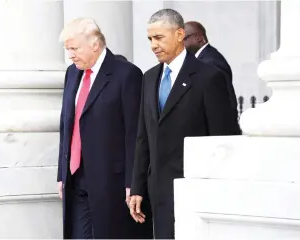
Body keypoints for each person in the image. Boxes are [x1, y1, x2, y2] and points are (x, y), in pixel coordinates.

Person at [129, 9, 241, 239]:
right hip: (158, 192)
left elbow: (224, 139)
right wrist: (137, 187)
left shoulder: (209, 77)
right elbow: (144, 136)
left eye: (159, 37)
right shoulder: (149, 78)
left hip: (195, 191)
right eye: (150, 39)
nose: (153, 45)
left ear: (180, 34)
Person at [57, 18, 153, 239]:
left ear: (95, 44)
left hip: (112, 181)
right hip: (76, 177)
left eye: (74, 48)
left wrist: (133, 182)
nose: (70, 55)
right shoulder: (72, 73)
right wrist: (61, 174)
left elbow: (134, 133)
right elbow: (67, 124)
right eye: (67, 49)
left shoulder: (126, 74)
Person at [184, 21, 238, 111]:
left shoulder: (211, 62)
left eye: (183, 39)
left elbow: (220, 100)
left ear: (198, 38)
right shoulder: (203, 59)